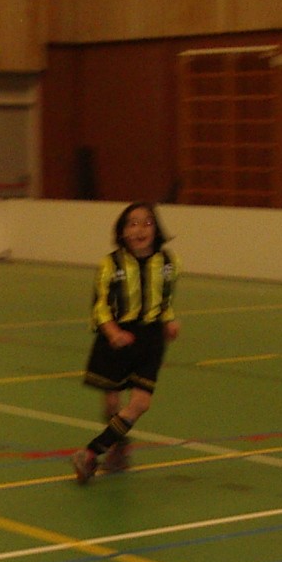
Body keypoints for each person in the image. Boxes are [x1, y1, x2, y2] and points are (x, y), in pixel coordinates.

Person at [70, 202, 181, 483]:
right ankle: (118, 443)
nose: (140, 229)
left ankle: (91, 453)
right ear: (122, 231)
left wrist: (168, 320)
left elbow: (165, 298)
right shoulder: (111, 264)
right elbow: (100, 307)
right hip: (117, 338)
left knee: (141, 403)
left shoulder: (169, 263)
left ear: (156, 229)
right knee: (112, 405)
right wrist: (112, 333)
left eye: (147, 223)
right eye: (132, 223)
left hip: (150, 339)